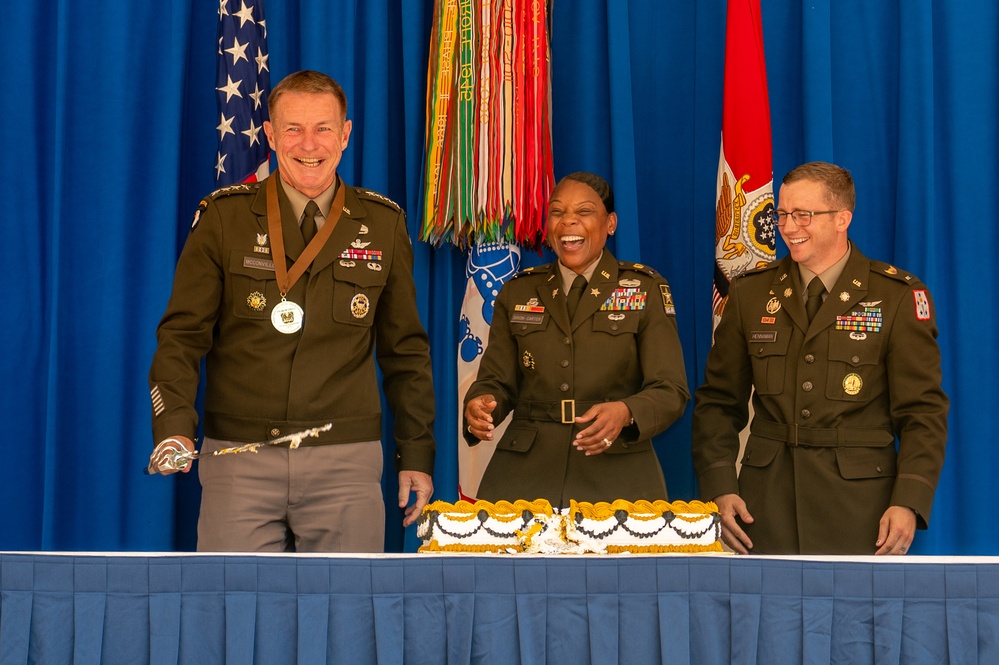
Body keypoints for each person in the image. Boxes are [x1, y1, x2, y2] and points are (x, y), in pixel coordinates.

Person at [147, 70, 436, 552]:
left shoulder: (383, 225)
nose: (309, 144)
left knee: (347, 620)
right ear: (270, 135)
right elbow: (181, 336)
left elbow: (406, 353)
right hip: (240, 457)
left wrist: (417, 453)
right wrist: (175, 428)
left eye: (323, 128)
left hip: (345, 461)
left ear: (345, 134)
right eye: (293, 128)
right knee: (233, 616)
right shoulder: (223, 217)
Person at [692, 161, 948, 555]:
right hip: (764, 506)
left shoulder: (896, 296)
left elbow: (923, 413)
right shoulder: (750, 294)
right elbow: (718, 403)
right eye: (782, 214)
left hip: (861, 509)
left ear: (842, 218)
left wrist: (909, 500)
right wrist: (720, 487)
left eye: (803, 215)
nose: (789, 227)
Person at [463, 172, 690, 505]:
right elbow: (497, 380)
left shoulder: (645, 288)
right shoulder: (519, 290)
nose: (568, 221)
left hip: (617, 473)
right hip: (524, 473)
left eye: (584, 212)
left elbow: (671, 390)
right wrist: (481, 404)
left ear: (610, 223)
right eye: (557, 212)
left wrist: (626, 411)